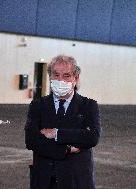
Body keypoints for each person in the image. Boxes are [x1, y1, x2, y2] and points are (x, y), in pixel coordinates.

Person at [25, 55, 101, 189]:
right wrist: (66, 148)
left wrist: (56, 134)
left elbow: (92, 137)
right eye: (56, 75)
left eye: (66, 76)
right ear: (50, 77)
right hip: (44, 180)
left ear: (75, 78)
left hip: (76, 181)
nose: (60, 80)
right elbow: (32, 141)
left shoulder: (88, 105)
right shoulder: (38, 105)